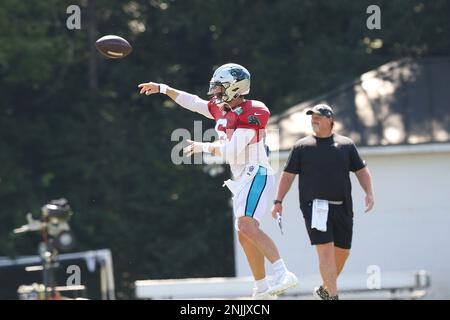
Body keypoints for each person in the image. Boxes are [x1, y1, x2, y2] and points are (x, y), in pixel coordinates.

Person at [138, 63, 298, 299]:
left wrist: (202, 146)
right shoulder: (222, 109)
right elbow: (193, 102)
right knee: (243, 233)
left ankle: (283, 274)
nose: (215, 91)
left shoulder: (252, 111)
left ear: (235, 88)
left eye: (220, 87)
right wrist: (163, 88)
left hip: (258, 173)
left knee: (246, 225)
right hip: (242, 178)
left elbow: (232, 151)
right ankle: (262, 288)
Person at [271, 104, 374, 300]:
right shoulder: (302, 146)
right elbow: (288, 176)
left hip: (343, 205)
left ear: (330, 120)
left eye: (318, 117)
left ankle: (326, 289)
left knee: (343, 252)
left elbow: (361, 170)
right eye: (312, 117)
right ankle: (333, 296)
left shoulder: (346, 145)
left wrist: (369, 192)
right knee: (325, 252)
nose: (313, 120)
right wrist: (278, 201)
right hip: (315, 207)